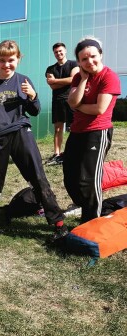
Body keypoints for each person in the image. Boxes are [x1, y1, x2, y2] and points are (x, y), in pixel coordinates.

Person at [0, 40, 65, 240]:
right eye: (2, 60)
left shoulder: (24, 80)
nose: (6, 64)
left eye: (11, 60)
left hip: (21, 132)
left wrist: (33, 95)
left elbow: (36, 110)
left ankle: (58, 222)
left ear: (18, 59)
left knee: (38, 176)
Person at [64, 37, 121, 223]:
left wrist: (77, 107)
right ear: (79, 62)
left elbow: (99, 109)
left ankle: (91, 220)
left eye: (93, 56)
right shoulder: (78, 76)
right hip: (77, 131)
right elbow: (71, 101)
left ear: (101, 54)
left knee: (88, 179)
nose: (90, 62)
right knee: (70, 177)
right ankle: (87, 207)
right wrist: (83, 80)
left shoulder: (109, 76)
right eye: (84, 59)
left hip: (98, 132)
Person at [45, 42, 79, 165]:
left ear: (65, 51)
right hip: (57, 101)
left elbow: (73, 79)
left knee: (74, 128)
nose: (58, 53)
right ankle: (57, 154)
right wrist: (58, 82)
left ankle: (73, 153)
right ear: (54, 54)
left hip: (71, 100)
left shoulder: (73, 64)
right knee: (58, 129)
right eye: (56, 52)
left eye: (60, 51)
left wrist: (56, 80)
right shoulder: (50, 69)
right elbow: (52, 86)